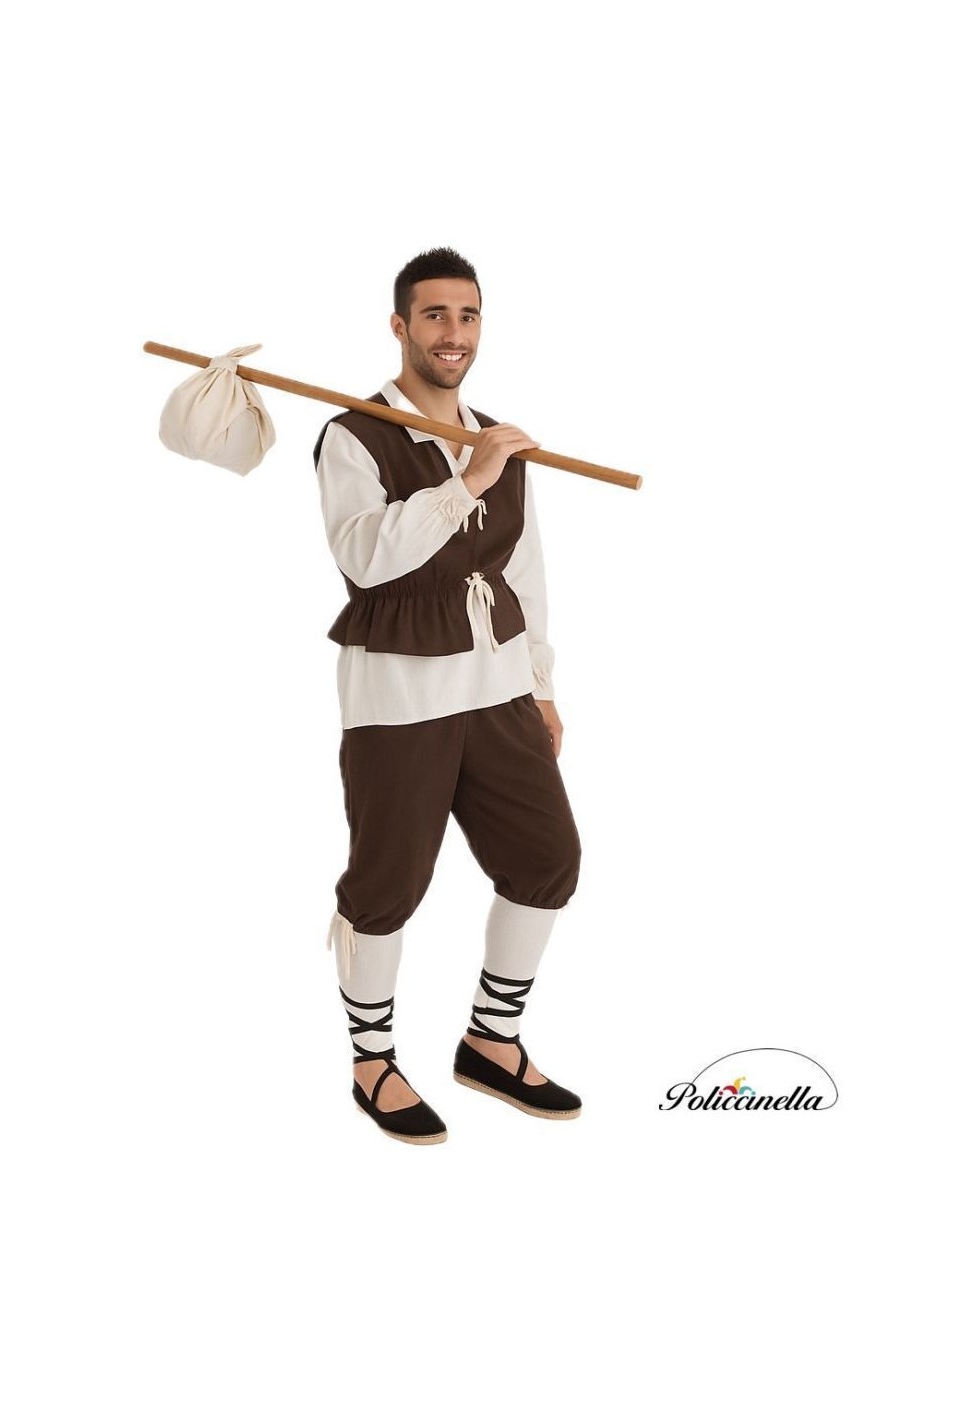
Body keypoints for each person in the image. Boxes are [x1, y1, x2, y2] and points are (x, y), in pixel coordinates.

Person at [315, 247, 582, 1145]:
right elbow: (365, 558)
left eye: (467, 315)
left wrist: (540, 684)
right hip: (399, 695)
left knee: (547, 857)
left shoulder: (500, 438)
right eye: (434, 315)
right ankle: (372, 1061)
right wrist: (466, 482)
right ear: (401, 326)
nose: (452, 333)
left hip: (498, 687)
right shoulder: (355, 434)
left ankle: (490, 1042)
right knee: (388, 883)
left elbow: (523, 570)